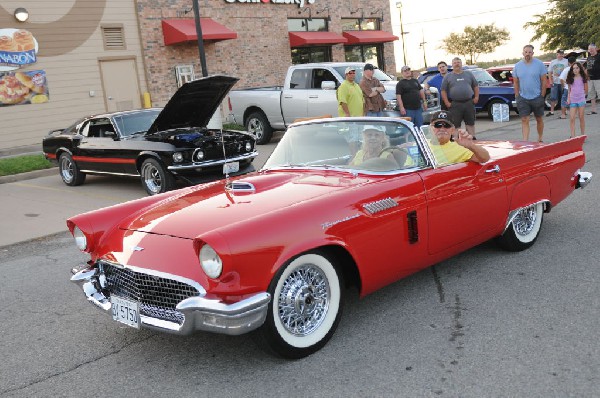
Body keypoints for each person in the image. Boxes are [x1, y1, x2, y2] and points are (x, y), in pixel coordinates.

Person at [512, 44, 548, 142]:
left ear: (533, 53)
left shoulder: (539, 64)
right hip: (523, 98)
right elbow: (515, 82)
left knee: (539, 119)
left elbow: (544, 80)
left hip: (537, 97)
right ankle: (525, 142)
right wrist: (517, 95)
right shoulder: (517, 66)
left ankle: (540, 138)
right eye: (526, 52)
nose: (527, 54)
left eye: (529, 52)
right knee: (524, 119)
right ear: (523, 53)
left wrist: (542, 95)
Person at [441, 57, 479, 137]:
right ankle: (457, 142)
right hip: (455, 104)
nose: (457, 64)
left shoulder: (469, 74)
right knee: (455, 125)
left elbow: (475, 86)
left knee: (470, 123)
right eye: (455, 63)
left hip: (469, 103)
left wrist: (476, 97)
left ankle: (472, 141)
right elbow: (443, 90)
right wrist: (447, 103)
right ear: (452, 65)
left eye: (458, 62)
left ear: (461, 64)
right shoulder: (448, 76)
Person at [566, 62, 589, 137]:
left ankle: (582, 135)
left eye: (577, 68)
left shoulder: (583, 77)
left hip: (581, 99)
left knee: (581, 117)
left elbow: (586, 89)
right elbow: (569, 90)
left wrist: (584, 96)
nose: (575, 70)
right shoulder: (570, 78)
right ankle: (573, 136)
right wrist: (568, 99)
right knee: (572, 118)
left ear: (580, 69)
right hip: (573, 100)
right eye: (573, 68)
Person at [546, 49, 569, 117]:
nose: (561, 55)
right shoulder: (553, 62)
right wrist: (550, 80)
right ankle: (552, 111)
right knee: (553, 97)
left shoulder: (566, 61)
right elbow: (549, 72)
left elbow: (569, 70)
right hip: (555, 82)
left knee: (564, 96)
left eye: (562, 54)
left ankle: (565, 110)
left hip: (563, 82)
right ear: (557, 54)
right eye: (560, 54)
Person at [586, 43, 600, 115]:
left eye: (592, 49)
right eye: (589, 49)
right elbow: (587, 68)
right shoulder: (588, 58)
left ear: (596, 49)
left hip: (598, 78)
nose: (590, 50)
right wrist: (587, 75)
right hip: (590, 79)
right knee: (592, 94)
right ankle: (593, 110)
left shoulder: (599, 56)